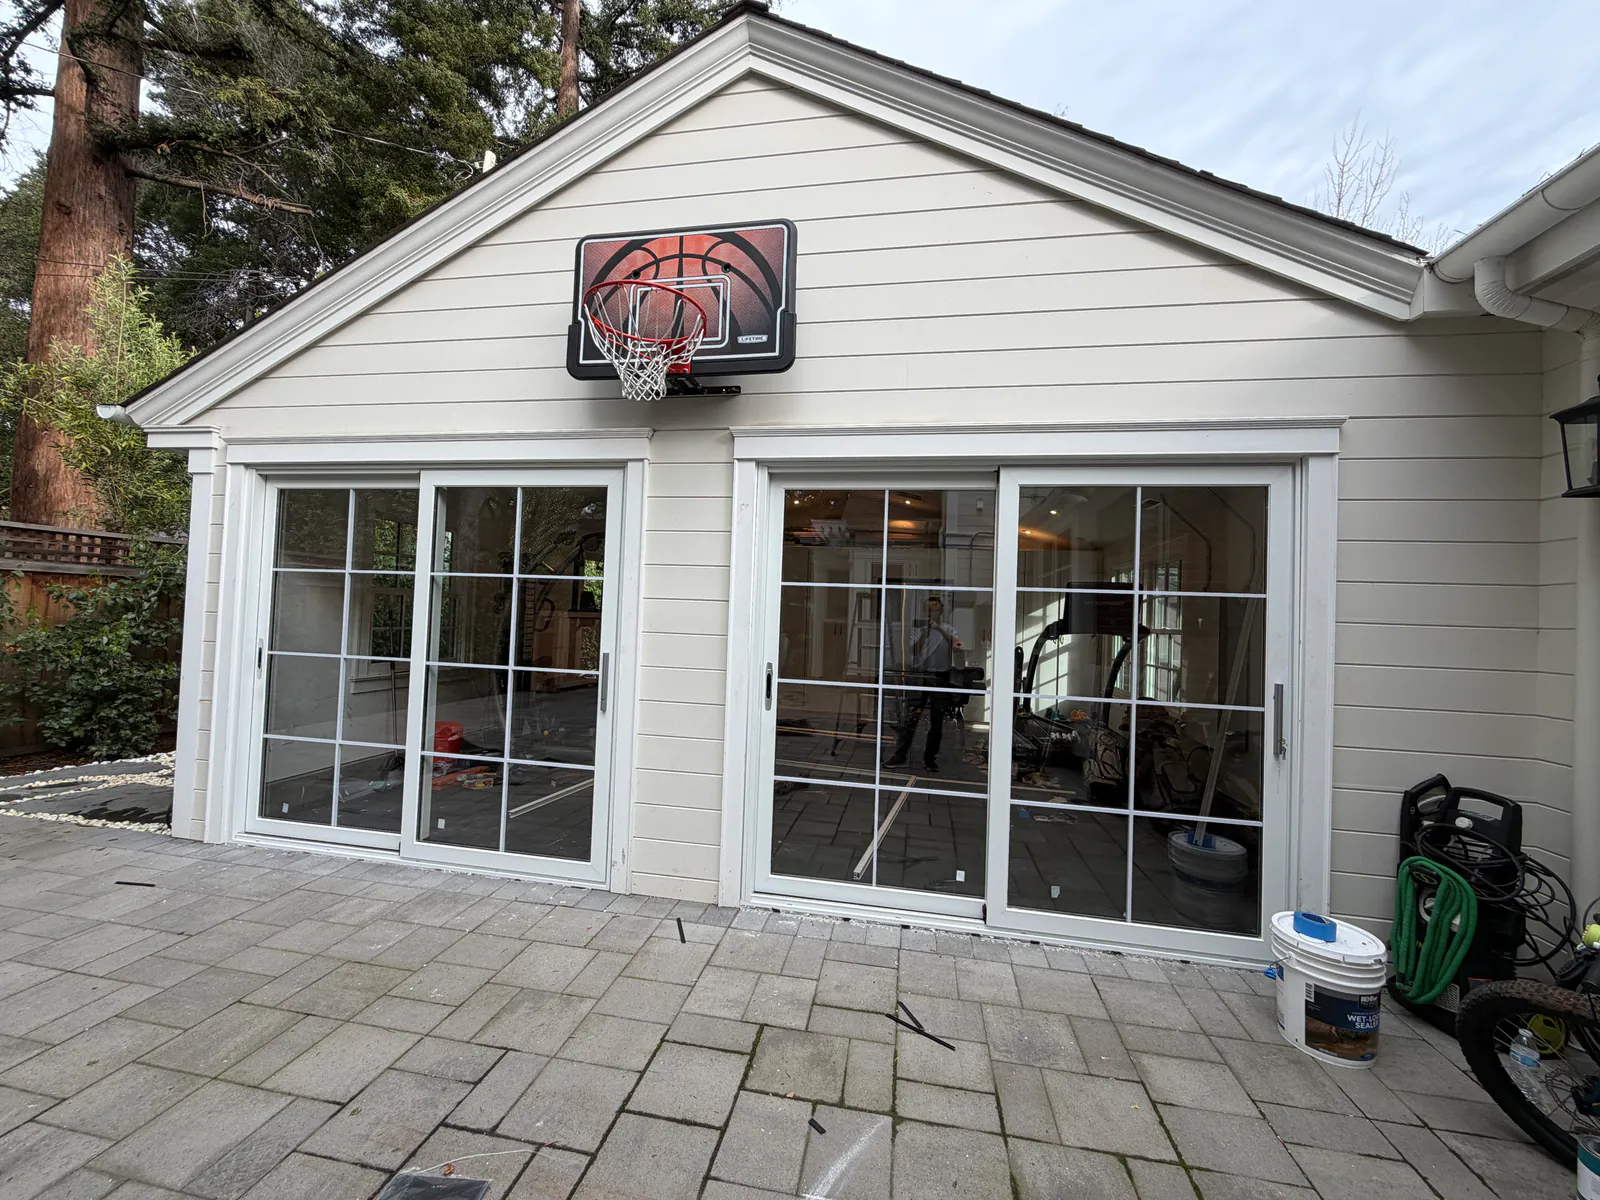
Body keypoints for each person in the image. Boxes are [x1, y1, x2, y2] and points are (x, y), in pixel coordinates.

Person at [886, 596, 962, 773]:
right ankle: (900, 754)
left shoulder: (949, 629)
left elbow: (958, 646)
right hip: (920, 676)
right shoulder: (918, 629)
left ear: (941, 611)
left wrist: (941, 631)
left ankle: (930, 758)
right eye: (927, 609)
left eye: (934, 609)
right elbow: (913, 651)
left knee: (936, 722)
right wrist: (925, 634)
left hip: (940, 678)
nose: (931, 613)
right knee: (910, 718)